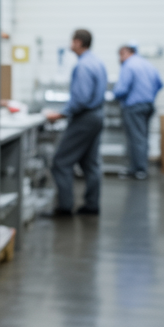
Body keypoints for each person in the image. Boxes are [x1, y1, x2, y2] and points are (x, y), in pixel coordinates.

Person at [45, 28, 108, 216]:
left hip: (84, 118)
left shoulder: (82, 66)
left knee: (61, 162)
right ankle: (92, 205)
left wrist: (61, 114)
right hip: (97, 116)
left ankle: (64, 207)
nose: (70, 44)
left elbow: (81, 99)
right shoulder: (97, 62)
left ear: (78, 42)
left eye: (72, 41)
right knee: (90, 164)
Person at [112, 43, 163, 180]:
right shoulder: (147, 65)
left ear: (126, 52)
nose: (120, 59)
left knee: (136, 139)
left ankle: (139, 170)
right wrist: (149, 95)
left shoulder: (128, 65)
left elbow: (122, 89)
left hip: (134, 107)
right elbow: (160, 83)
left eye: (120, 55)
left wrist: (114, 95)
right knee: (143, 137)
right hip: (148, 105)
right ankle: (138, 167)